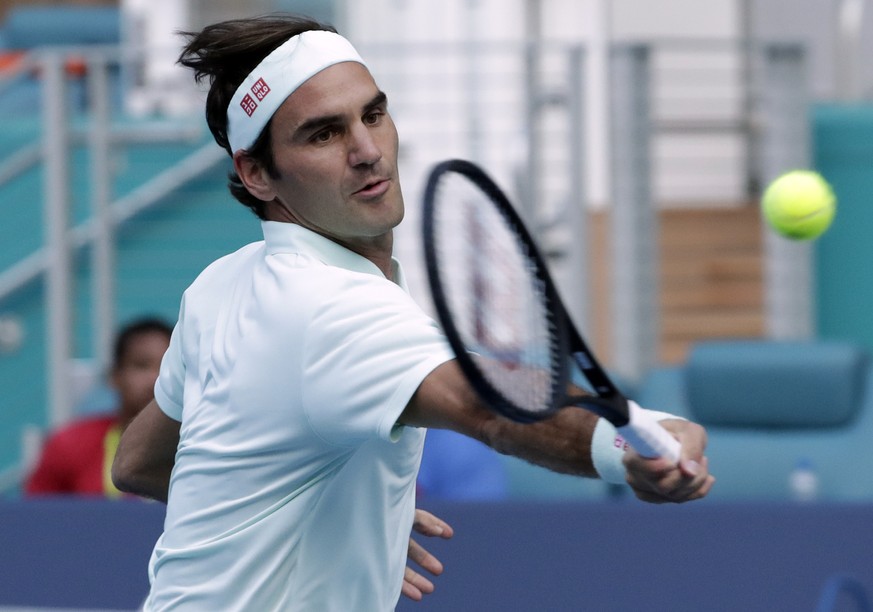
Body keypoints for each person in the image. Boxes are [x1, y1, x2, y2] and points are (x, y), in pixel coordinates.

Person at [111, 14, 715, 611]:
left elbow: (137, 464)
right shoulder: (333, 307)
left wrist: (345, 531)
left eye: (373, 114)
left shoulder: (220, 284)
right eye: (323, 134)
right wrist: (629, 444)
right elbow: (488, 405)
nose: (368, 151)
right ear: (256, 173)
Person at [25, 316, 172, 497]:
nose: (154, 379)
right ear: (114, 376)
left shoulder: (200, 441)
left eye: (166, 366)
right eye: (141, 366)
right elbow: (34, 516)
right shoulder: (68, 444)